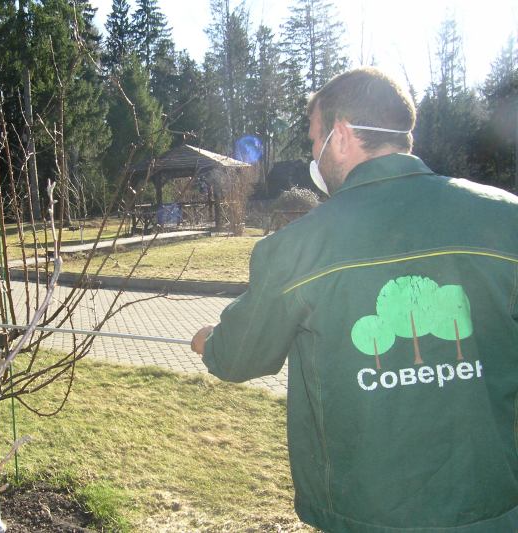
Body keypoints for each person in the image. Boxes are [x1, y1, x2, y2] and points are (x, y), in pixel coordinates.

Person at [191, 67, 518, 532]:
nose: (313, 156)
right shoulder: (505, 219)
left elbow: (240, 356)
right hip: (494, 508)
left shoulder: (299, 247)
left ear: (340, 137)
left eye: (313, 140)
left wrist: (208, 342)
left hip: (364, 512)